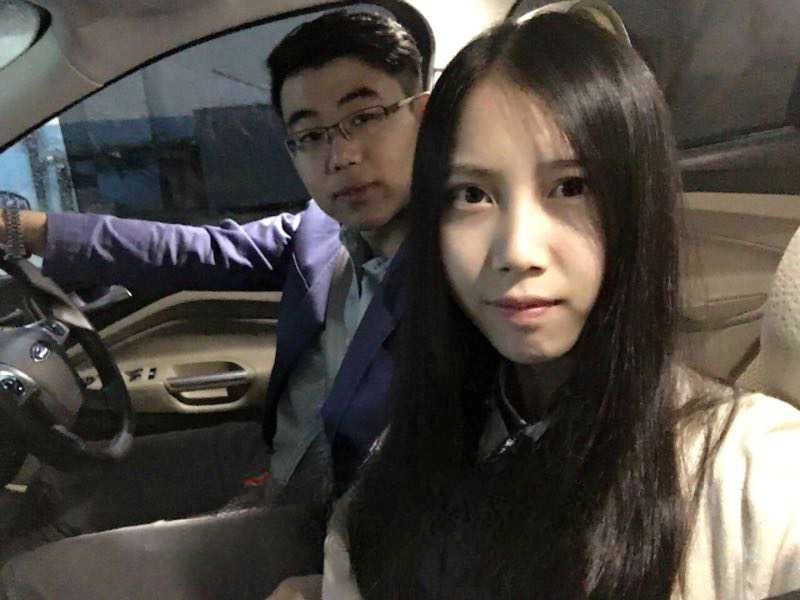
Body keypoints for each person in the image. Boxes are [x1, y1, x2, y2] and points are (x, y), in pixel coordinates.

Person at [308, 8, 800, 599]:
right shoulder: (394, 472)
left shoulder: (753, 468)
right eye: (471, 195)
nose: (517, 251)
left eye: (570, 187)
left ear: (635, 201)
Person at [0, 8, 428, 588]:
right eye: (310, 135)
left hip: (343, 521)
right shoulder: (321, 232)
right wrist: (22, 230)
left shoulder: (469, 275)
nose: (341, 155)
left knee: (30, 581)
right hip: (275, 460)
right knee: (65, 493)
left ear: (423, 115)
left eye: (365, 117)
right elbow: (189, 249)